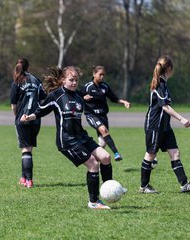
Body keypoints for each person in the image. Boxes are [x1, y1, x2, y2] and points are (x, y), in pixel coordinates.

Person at [20, 66, 114, 209]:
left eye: (77, 80)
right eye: (71, 80)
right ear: (63, 80)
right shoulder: (56, 96)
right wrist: (29, 117)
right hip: (67, 141)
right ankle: (94, 202)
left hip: (82, 136)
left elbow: (89, 114)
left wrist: (99, 125)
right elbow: (41, 111)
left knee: (106, 157)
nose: (75, 83)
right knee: (93, 164)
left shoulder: (78, 96)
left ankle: (110, 189)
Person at [139, 55, 190, 194]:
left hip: (165, 126)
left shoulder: (163, 84)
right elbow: (165, 107)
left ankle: (184, 184)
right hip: (155, 126)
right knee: (150, 154)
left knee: (175, 152)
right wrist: (181, 119)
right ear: (169, 69)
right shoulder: (160, 85)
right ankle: (144, 187)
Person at [10, 58, 47, 188]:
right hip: (35, 119)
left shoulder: (17, 82)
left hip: (22, 119)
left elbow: (13, 105)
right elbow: (43, 99)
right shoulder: (36, 80)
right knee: (28, 149)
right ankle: (23, 177)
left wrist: (17, 116)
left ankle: (29, 180)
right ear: (28, 67)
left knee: (26, 149)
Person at [82, 65, 131, 161]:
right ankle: (116, 153)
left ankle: (94, 162)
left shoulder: (105, 86)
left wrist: (124, 102)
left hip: (103, 116)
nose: (102, 77)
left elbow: (114, 98)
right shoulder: (87, 87)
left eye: (103, 75)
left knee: (102, 143)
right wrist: (84, 97)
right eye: (100, 74)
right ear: (94, 74)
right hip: (91, 115)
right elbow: (79, 97)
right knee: (104, 130)